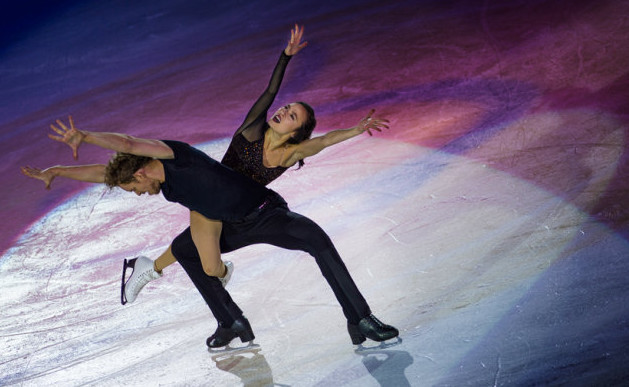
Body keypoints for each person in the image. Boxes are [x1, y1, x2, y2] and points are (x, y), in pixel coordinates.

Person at [21, 117, 398, 347]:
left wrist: (84, 135)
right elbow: (104, 174)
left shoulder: (173, 155)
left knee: (317, 240)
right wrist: (57, 170)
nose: (138, 195)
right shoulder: (140, 174)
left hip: (264, 214)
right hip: (228, 226)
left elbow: (128, 143)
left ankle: (359, 318)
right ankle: (231, 321)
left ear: (141, 173)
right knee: (186, 252)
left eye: (135, 189)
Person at [123, 24, 389, 305]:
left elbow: (322, 142)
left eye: (292, 116)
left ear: (296, 133)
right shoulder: (251, 131)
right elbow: (270, 91)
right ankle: (151, 270)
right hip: (207, 197)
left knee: (191, 247)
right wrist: (286, 56)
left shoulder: (289, 155)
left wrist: (354, 130)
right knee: (208, 263)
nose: (284, 111)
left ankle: (148, 267)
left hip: (240, 209)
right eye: (287, 108)